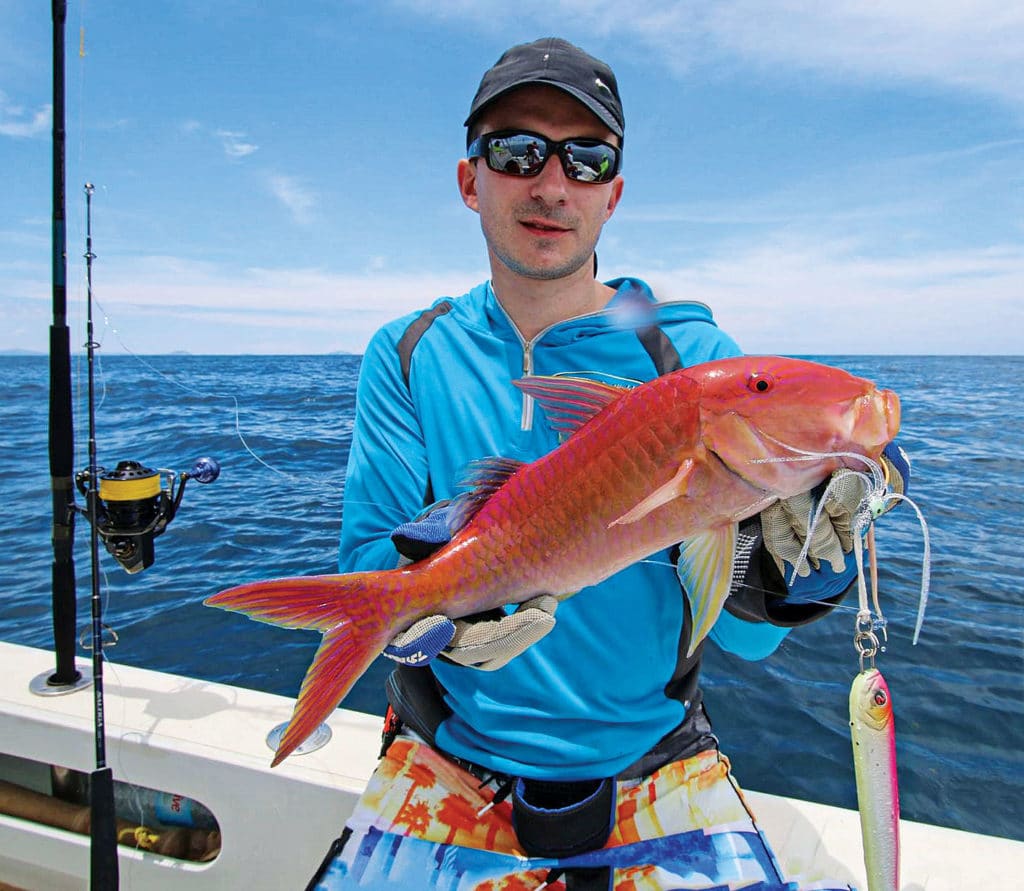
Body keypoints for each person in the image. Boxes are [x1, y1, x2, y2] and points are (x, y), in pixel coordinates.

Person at [308, 37, 906, 891]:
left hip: (658, 765)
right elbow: (367, 571)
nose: (552, 184)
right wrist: (434, 601)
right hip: (441, 760)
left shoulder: (690, 354)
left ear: (613, 193)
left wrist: (794, 569)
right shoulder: (407, 352)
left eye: (586, 158)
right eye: (517, 151)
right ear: (470, 178)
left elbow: (742, 636)